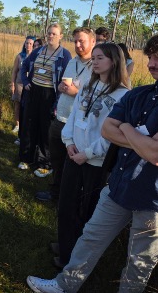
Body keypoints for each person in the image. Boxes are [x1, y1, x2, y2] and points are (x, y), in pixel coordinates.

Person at [26, 35, 158, 293]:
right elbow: (109, 129)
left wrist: (126, 130)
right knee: (90, 237)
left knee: (139, 261)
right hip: (119, 186)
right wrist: (138, 136)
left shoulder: (125, 93)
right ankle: (65, 285)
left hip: (152, 199)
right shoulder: (141, 94)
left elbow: (154, 154)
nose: (151, 64)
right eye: (150, 58)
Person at [55, 43, 129, 269]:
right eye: (93, 58)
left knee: (86, 208)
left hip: (95, 162)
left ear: (114, 61)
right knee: (66, 202)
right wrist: (68, 142)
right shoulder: (88, 85)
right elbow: (74, 116)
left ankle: (76, 255)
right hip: (73, 153)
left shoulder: (122, 95)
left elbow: (111, 135)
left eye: (100, 58)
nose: (94, 62)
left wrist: (87, 154)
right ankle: (64, 245)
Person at [35, 27, 95, 203]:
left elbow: (94, 96)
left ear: (92, 42)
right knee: (56, 159)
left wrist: (74, 91)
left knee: (72, 164)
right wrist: (67, 89)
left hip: (77, 123)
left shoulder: (97, 65)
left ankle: (68, 198)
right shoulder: (72, 61)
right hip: (60, 117)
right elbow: (64, 85)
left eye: (81, 41)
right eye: (75, 41)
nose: (77, 44)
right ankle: (55, 193)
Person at [19, 24, 71, 176]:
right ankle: (26, 158)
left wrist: (57, 102)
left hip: (50, 95)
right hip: (34, 92)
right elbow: (24, 68)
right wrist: (26, 82)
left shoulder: (64, 55)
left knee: (45, 129)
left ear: (61, 36)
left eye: (54, 34)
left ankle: (44, 163)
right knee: (29, 125)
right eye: (49, 33)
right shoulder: (38, 51)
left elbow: (66, 80)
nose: (51, 36)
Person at [10, 36, 35, 134]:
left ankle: (27, 125)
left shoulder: (35, 56)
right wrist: (12, 84)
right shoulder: (20, 56)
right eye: (26, 43)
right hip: (19, 84)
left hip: (31, 85)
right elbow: (14, 71)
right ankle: (17, 125)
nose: (28, 45)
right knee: (18, 105)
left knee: (28, 106)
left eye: (30, 44)